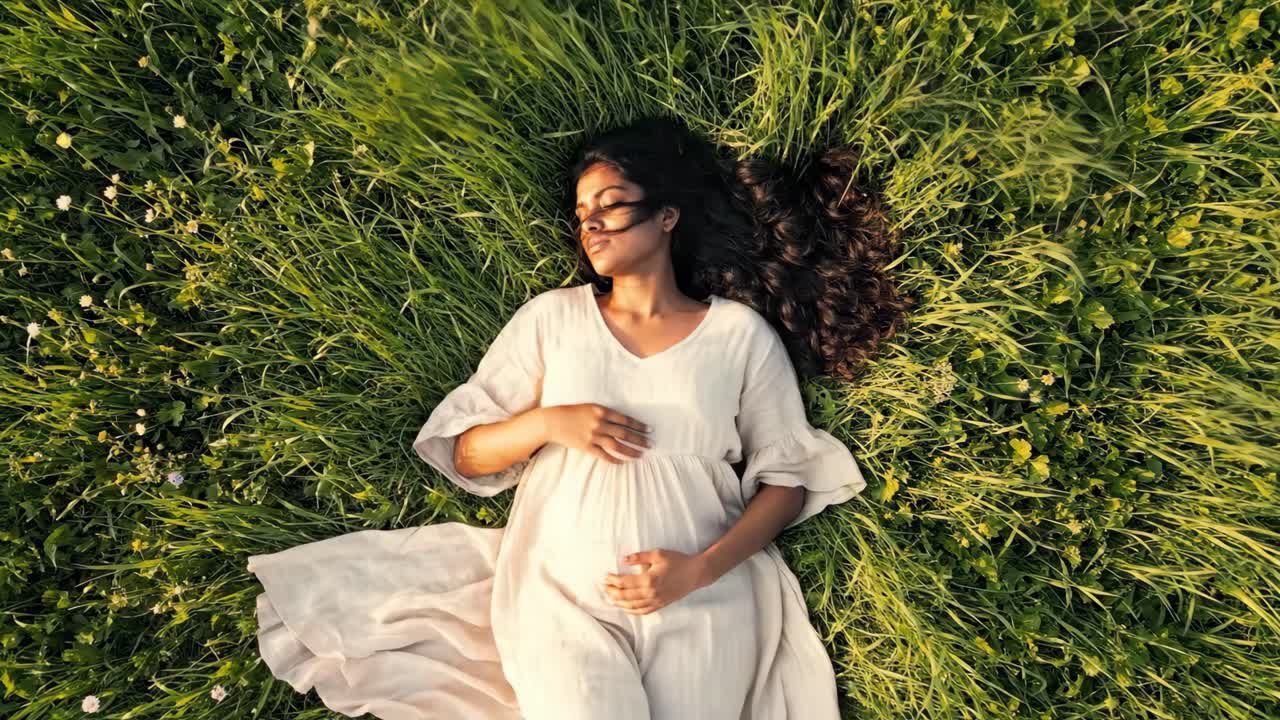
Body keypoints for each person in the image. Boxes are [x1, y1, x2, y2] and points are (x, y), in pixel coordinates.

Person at [247, 114, 911, 719]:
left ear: (667, 217)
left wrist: (699, 570)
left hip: (701, 597)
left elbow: (788, 481)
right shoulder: (554, 319)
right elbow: (464, 452)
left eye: (612, 206)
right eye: (581, 213)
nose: (590, 224)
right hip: (560, 594)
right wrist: (546, 424)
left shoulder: (737, 336)